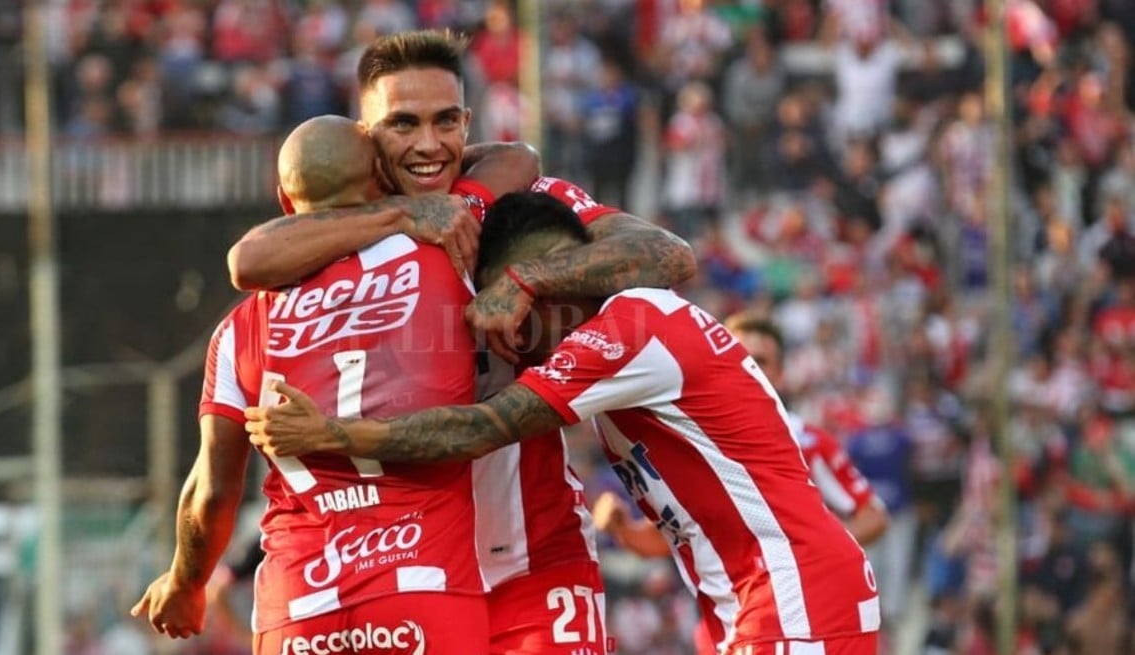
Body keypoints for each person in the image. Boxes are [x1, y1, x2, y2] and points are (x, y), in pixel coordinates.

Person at [226, 29, 696, 655]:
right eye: (403, 124)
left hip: (536, 565)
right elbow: (249, 259)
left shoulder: (520, 208)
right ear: (365, 139)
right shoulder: (339, 234)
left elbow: (666, 254)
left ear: (467, 124)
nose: (429, 145)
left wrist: (528, 278)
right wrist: (400, 215)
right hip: (399, 576)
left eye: (446, 121)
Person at [250, 191, 882, 655]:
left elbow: (481, 429)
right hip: (755, 599)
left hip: (793, 596)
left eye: (510, 316)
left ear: (545, 290)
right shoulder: (635, 336)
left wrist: (332, 434)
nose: (511, 344)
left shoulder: (632, 327)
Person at [131, 115, 536, 654]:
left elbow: (213, 490)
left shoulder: (237, 330)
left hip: (297, 606)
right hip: (422, 583)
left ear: (285, 201)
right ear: (380, 177)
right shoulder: (447, 254)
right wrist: (405, 183)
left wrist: (185, 582)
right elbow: (517, 158)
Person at [590, 314, 890, 655]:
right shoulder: (697, 443)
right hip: (729, 614)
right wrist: (621, 528)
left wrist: (799, 554)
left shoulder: (807, 440)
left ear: (781, 374)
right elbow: (678, 535)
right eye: (738, 356)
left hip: (802, 613)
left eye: (760, 360)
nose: (747, 367)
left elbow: (873, 516)